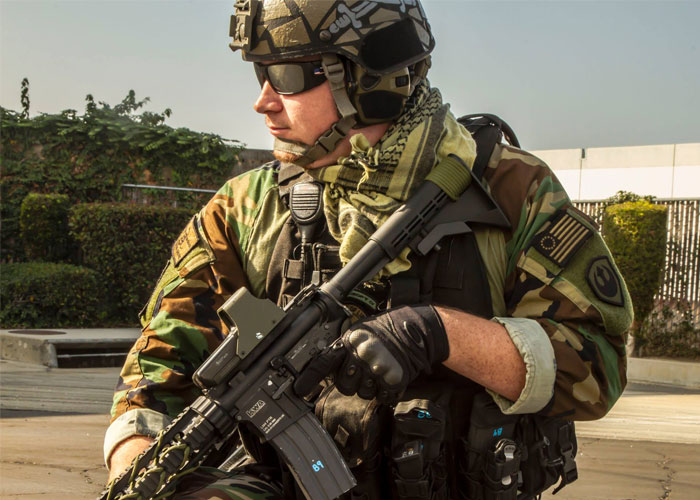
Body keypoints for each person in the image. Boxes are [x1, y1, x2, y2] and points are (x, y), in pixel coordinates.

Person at [104, 1, 633, 499]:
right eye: (259, 73)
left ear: (366, 79)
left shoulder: (509, 189)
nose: (263, 100)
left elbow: (597, 366)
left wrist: (438, 333)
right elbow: (156, 369)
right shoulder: (245, 207)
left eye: (286, 75)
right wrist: (140, 466)